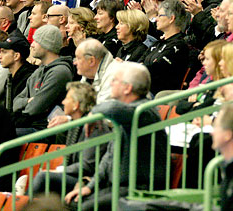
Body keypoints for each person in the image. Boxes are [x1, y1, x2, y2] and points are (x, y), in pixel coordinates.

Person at [64, 62, 166, 208]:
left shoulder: (143, 112)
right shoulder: (123, 118)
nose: (111, 83)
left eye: (115, 80)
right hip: (116, 186)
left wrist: (94, 112)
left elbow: (111, 107)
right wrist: (90, 186)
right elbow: (108, 158)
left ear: (128, 88)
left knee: (84, 206)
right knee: (72, 201)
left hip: (139, 189)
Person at [13, 25, 73, 132]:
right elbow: (15, 103)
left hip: (44, 129)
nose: (31, 45)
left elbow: (34, 109)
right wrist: (28, 101)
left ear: (47, 45)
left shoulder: (59, 72)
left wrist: (27, 103)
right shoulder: (39, 70)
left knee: (1, 138)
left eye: (36, 41)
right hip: (30, 124)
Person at [73, 38, 117, 104]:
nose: (75, 62)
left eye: (78, 58)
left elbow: (101, 109)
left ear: (91, 61)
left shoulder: (113, 76)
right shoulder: (88, 74)